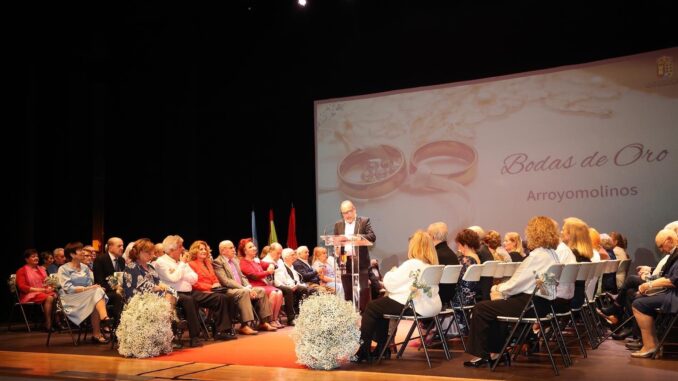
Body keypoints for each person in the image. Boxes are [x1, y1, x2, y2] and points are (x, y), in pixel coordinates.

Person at [464, 216, 561, 367]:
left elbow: (516, 284)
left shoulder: (537, 256)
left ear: (534, 233)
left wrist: (497, 288)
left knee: (481, 308)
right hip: (544, 304)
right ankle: (496, 353)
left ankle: (485, 354)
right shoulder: (552, 254)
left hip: (530, 305)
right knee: (494, 306)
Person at [355, 230, 441, 363]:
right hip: (430, 306)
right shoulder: (430, 265)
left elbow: (390, 284)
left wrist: (392, 272)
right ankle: (382, 349)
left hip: (415, 306)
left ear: (414, 246)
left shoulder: (412, 264)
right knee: (381, 305)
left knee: (372, 306)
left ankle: (364, 350)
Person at [628, 229, 678, 357]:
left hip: (675, 295)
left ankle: (650, 346)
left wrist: (649, 284)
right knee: (640, 299)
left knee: (639, 304)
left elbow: (673, 281)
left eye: (661, 246)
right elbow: (667, 276)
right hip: (673, 293)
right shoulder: (674, 254)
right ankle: (652, 344)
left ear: (670, 240)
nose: (661, 250)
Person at [212, 240, 278, 334]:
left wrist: (249, 287)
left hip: (242, 288)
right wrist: (244, 288)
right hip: (228, 290)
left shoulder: (235, 260)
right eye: (231, 248)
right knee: (244, 292)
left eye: (233, 247)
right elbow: (226, 281)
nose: (234, 250)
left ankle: (263, 322)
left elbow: (242, 276)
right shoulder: (217, 262)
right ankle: (244, 325)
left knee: (261, 291)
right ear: (223, 251)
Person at [57, 242, 112, 344]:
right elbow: (68, 289)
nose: (83, 252)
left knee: (97, 295)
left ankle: (100, 326)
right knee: (96, 293)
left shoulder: (85, 267)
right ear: (72, 254)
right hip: (70, 299)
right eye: (80, 250)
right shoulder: (63, 269)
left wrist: (93, 288)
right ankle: (104, 319)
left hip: (85, 297)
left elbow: (89, 285)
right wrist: (88, 289)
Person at [333, 200, 376, 311]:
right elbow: (335, 241)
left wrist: (357, 238)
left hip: (360, 262)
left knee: (362, 291)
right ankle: (349, 315)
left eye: (348, 212)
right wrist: (337, 248)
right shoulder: (338, 225)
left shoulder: (363, 221)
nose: (347, 215)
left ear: (354, 210)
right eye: (344, 213)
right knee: (347, 291)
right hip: (343, 261)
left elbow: (372, 236)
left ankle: (364, 314)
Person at [15, 249, 56, 331]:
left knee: (57, 294)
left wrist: (50, 287)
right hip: (29, 294)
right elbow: (22, 287)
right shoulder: (22, 271)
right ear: (27, 259)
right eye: (33, 257)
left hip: (43, 292)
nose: (36, 258)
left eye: (37, 256)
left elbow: (46, 282)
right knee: (50, 297)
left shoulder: (41, 269)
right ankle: (48, 323)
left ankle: (57, 322)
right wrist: (41, 290)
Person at [93, 237, 126, 324]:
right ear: (110, 247)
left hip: (120, 290)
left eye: (122, 246)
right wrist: (115, 288)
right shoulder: (100, 259)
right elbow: (99, 281)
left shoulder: (122, 260)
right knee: (118, 297)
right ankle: (117, 325)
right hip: (105, 292)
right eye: (119, 246)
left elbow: (123, 278)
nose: (122, 248)